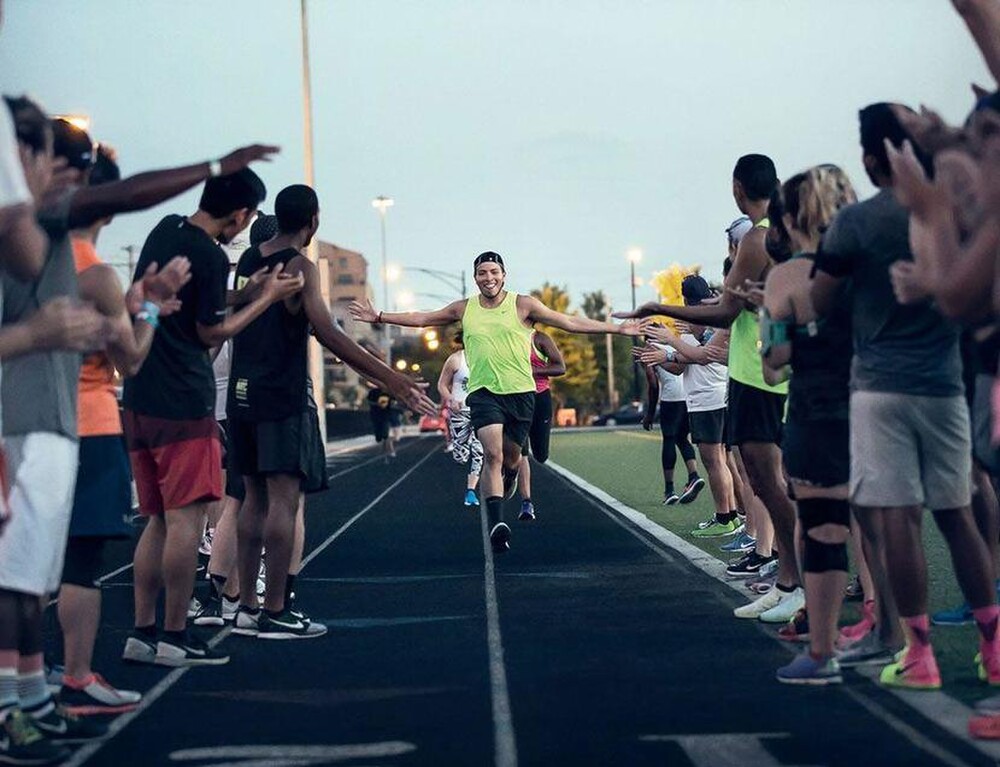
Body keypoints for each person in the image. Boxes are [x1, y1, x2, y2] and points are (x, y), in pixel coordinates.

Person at [811, 103, 1000, 690]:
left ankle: (919, 654)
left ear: (872, 160)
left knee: (898, 518)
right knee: (958, 515)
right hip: (945, 383)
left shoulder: (855, 223)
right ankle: (993, 647)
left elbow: (818, 303)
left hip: (879, 386)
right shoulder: (957, 212)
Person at [120, 157, 310, 667]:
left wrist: (245, 291)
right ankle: (174, 635)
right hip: (183, 402)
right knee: (185, 522)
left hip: (139, 398)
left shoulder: (165, 231)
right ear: (240, 213)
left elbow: (194, 299)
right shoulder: (209, 254)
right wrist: (265, 299)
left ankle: (142, 631)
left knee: (156, 521)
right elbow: (211, 333)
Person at [227, 185, 434, 639]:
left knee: (252, 499)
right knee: (283, 501)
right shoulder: (300, 266)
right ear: (313, 221)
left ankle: (245, 607)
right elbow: (328, 332)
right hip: (280, 396)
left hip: (242, 394)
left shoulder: (249, 260)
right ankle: (275, 610)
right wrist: (393, 379)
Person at [350, 251, 639, 552]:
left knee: (512, 458)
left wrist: (617, 329)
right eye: (482, 273)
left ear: (503, 275)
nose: (488, 278)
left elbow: (567, 321)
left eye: (493, 272)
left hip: (521, 394)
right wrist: (380, 316)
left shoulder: (523, 305)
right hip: (484, 394)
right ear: (475, 278)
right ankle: (498, 524)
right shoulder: (464, 308)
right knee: (492, 454)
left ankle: (511, 475)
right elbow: (423, 318)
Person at [617, 155, 803, 624]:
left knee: (770, 482)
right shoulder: (780, 232)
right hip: (760, 372)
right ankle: (787, 580)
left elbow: (724, 312)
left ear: (738, 188)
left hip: (758, 376)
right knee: (767, 481)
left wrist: (659, 308)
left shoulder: (760, 237)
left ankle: (796, 581)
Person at [58, 138, 190, 715]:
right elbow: (130, 360)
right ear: (111, 206)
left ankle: (26, 686)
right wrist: (152, 309)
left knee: (30, 565)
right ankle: (78, 677)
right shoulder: (93, 273)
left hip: (29, 421)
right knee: (80, 562)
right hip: (88, 425)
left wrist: (129, 302)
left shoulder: (30, 259)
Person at [758, 165, 863, 684]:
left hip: (818, 412)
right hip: (876, 402)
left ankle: (822, 650)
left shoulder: (785, 276)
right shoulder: (871, 262)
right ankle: (896, 636)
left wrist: (774, 326)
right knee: (884, 526)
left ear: (788, 219)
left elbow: (774, 364)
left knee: (822, 529)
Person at [638, 274, 735, 539]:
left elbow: (698, 357)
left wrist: (668, 345)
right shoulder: (705, 321)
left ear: (685, 300)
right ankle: (731, 515)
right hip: (713, 397)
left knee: (715, 463)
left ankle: (726, 517)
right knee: (722, 462)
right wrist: (660, 356)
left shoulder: (698, 323)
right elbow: (682, 365)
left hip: (708, 399)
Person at [640, 335, 700, 507]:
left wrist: (650, 414)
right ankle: (693, 476)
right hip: (687, 396)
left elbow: (653, 384)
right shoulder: (675, 344)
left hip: (671, 398)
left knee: (669, 439)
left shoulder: (649, 350)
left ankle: (669, 490)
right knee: (682, 438)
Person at [516, 329, 566, 521]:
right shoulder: (505, 337)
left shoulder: (539, 339)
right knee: (520, 452)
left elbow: (560, 367)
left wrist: (534, 371)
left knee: (540, 455)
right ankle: (526, 502)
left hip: (540, 397)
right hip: (516, 398)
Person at [438, 333, 484, 507]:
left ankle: (471, 491)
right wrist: (451, 399)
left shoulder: (487, 357)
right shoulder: (456, 359)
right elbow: (442, 384)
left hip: (481, 411)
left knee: (479, 451)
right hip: (460, 412)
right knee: (461, 457)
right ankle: (463, 447)